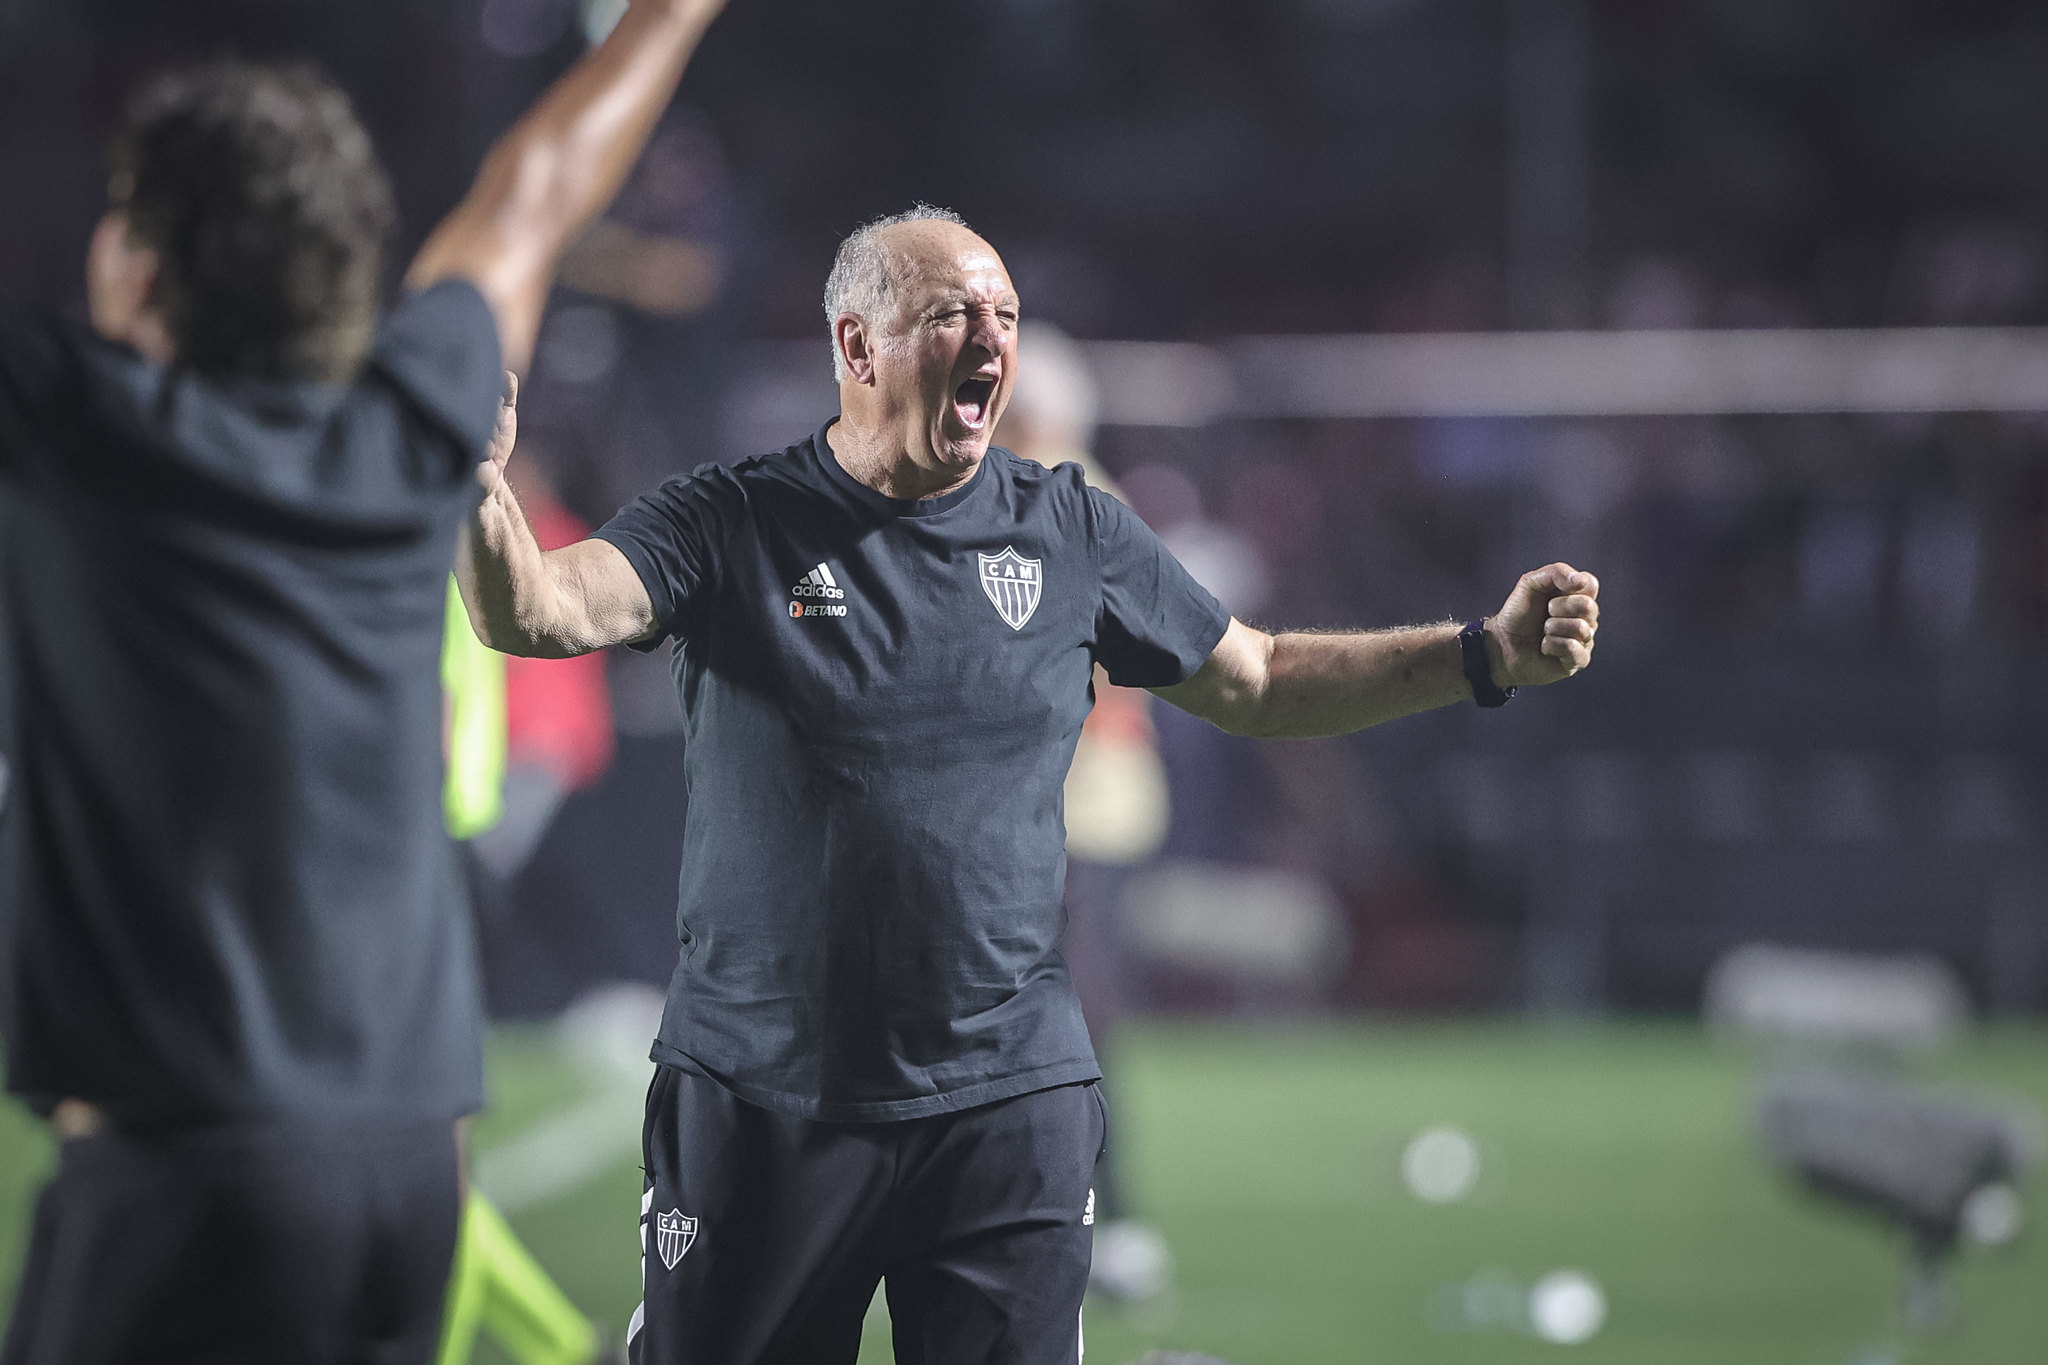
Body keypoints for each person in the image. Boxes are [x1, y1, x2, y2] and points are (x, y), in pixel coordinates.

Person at [458, 205, 1602, 1365]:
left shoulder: (1072, 530)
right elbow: (538, 610)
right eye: (952, 313)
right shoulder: (730, 518)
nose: (991, 340)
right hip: (762, 1101)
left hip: (1005, 1105)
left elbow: (1257, 678)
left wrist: (1481, 656)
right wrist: (476, 486)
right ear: (856, 347)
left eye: (1003, 315)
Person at [0, 1, 729, 1360]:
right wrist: (672, 14)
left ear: (140, 269)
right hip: (408, 1182)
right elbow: (536, 195)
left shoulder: (71, 429)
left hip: (187, 1176)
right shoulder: (411, 423)